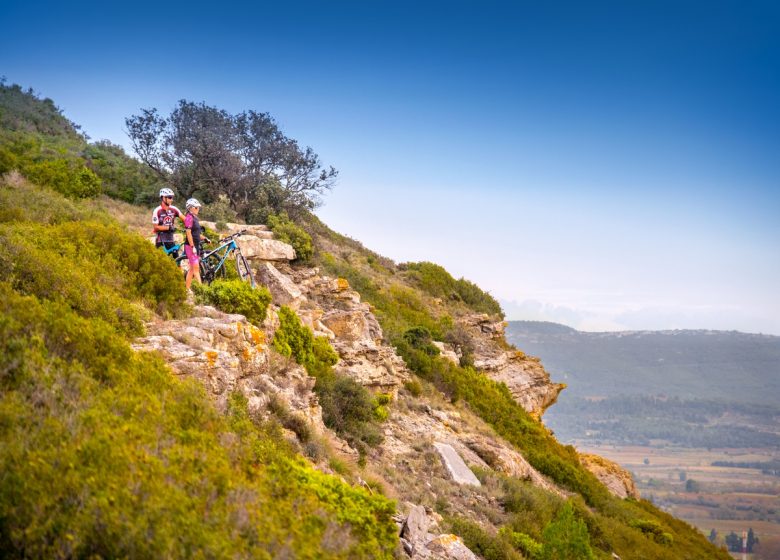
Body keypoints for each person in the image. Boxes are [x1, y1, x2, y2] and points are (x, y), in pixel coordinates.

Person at [183, 198, 210, 290]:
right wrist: (192, 246)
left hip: (196, 246)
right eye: (197, 207)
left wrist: (205, 238)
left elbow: (197, 233)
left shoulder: (195, 218)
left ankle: (187, 289)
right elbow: (188, 233)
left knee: (191, 270)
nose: (198, 209)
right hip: (191, 247)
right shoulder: (189, 218)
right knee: (196, 269)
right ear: (191, 208)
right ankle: (203, 291)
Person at [152, 187, 184, 258]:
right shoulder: (157, 211)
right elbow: (156, 227)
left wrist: (194, 224)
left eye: (172, 198)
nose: (171, 200)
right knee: (160, 263)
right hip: (160, 241)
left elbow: (185, 219)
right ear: (163, 198)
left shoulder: (174, 209)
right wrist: (168, 228)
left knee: (177, 261)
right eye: (170, 197)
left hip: (170, 240)